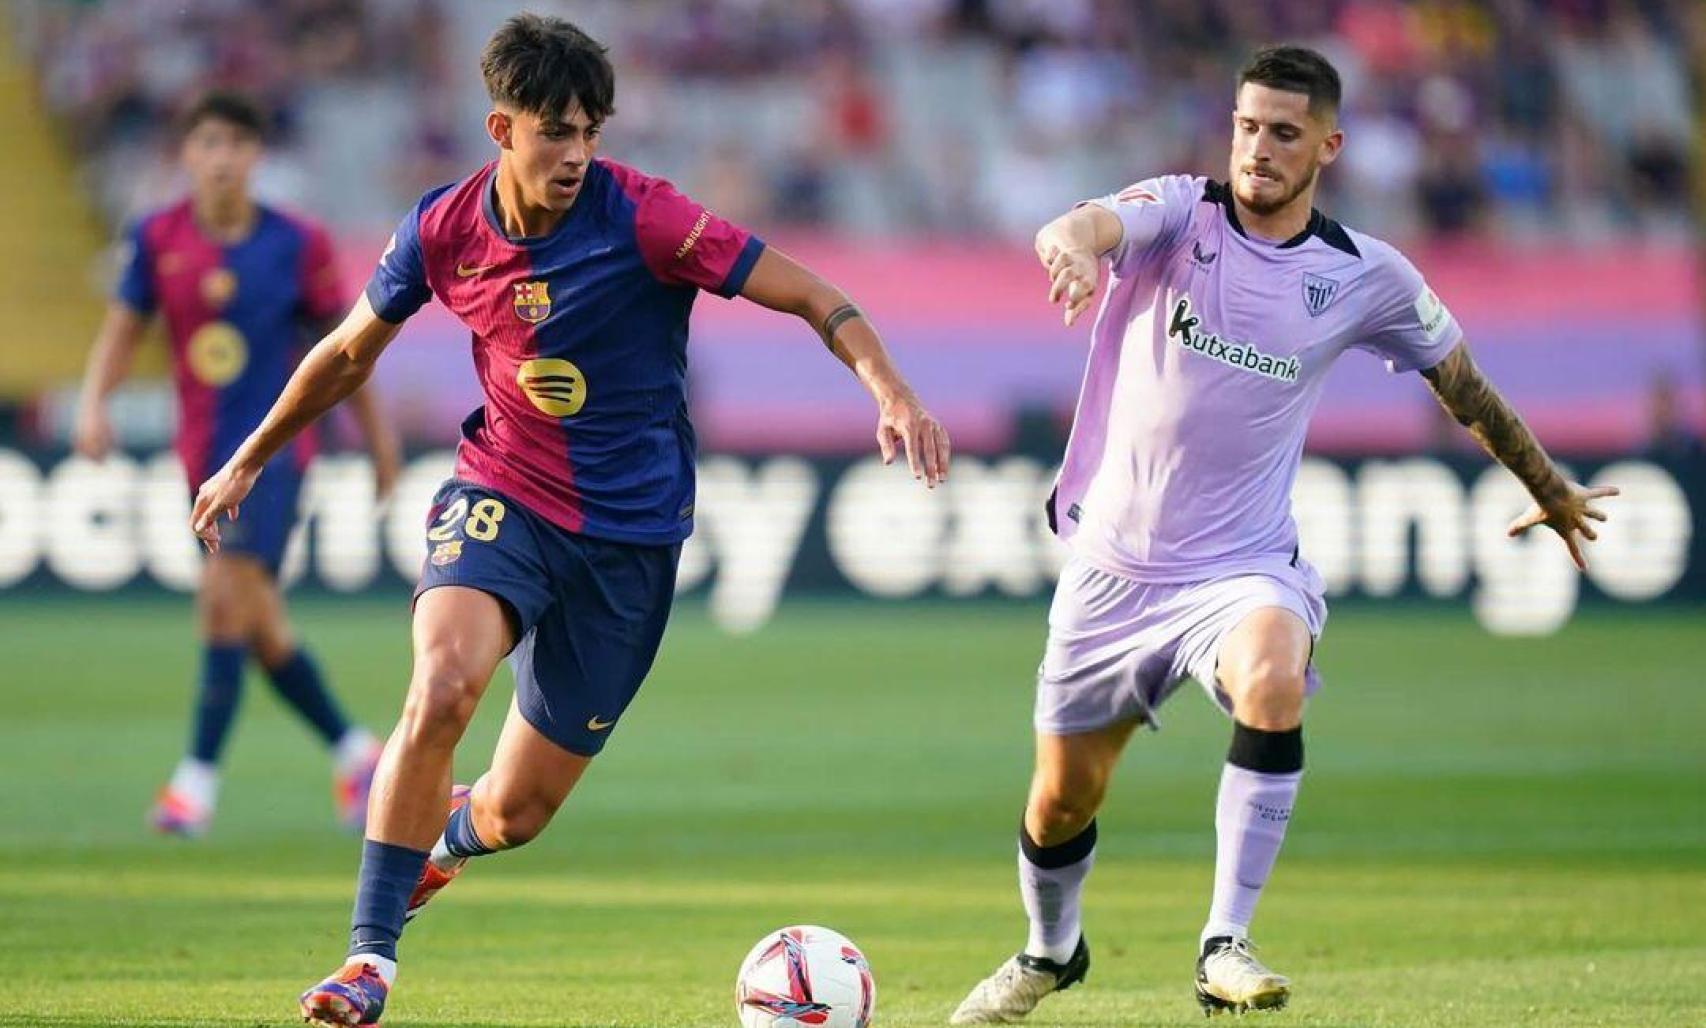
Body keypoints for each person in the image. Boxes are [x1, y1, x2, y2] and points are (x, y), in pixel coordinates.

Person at [186, 15, 950, 1027]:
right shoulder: (441, 227)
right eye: (555, 132)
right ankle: (367, 959)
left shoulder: (646, 218)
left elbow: (812, 294)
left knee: (517, 810)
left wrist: (887, 387)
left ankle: (447, 838)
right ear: (501, 127)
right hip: (500, 492)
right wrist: (248, 457)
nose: (575, 152)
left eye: (589, 130)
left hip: (629, 541)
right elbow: (345, 351)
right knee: (444, 682)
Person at [949, 46, 1617, 1022]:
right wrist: (1070, 243)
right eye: (1245, 127)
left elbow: (1461, 385)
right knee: (1059, 801)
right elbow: (1088, 218)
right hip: (1110, 572)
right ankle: (1050, 950)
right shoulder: (1180, 211)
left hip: (1242, 565)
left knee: (1268, 675)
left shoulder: (1364, 276)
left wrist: (1546, 481)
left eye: (1283, 133)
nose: (1257, 149)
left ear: (1328, 146)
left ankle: (1223, 939)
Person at [75, 90, 396, 838]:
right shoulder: (158, 237)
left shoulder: (297, 243)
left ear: (257, 157)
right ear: (187, 154)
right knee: (256, 622)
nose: (222, 159)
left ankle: (194, 783)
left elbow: (346, 350)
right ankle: (356, 755)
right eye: (208, 144)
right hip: (199, 457)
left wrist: (378, 444)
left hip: (278, 455)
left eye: (236, 145)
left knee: (224, 596)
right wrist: (94, 403)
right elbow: (125, 329)